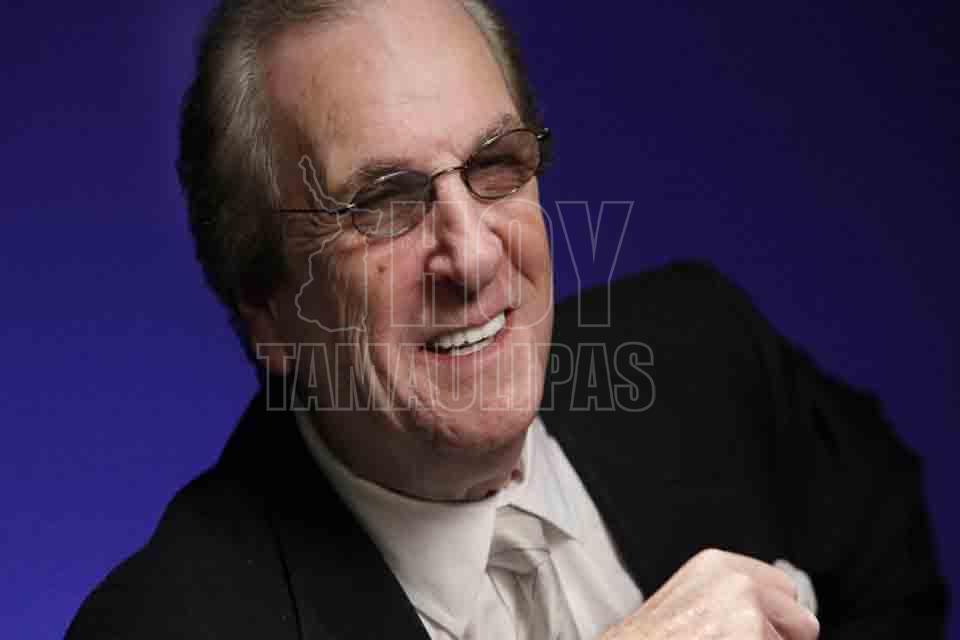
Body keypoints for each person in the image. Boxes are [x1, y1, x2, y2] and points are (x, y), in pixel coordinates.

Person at [67, 0, 947, 638]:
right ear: (268, 312)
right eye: (383, 202)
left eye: (496, 165)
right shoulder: (166, 623)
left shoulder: (704, 347)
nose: (475, 256)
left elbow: (894, 576)